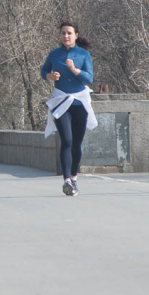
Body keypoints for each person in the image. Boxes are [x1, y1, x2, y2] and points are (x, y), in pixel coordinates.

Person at [40, 21, 98, 196]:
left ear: (76, 35)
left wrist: (75, 70)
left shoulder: (83, 55)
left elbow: (89, 78)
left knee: (77, 144)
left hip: (79, 102)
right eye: (63, 33)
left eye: (69, 33)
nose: (66, 36)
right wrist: (49, 76)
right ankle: (66, 180)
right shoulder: (54, 54)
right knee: (67, 140)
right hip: (60, 101)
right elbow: (43, 72)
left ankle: (73, 177)